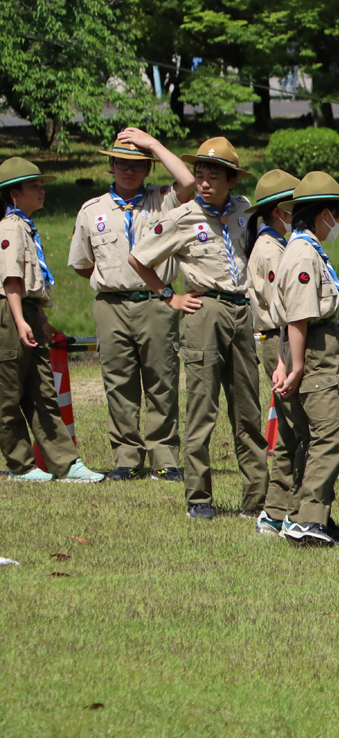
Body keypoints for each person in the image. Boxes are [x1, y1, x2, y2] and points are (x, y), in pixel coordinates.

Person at [129, 137, 268, 520]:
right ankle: (199, 498)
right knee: (202, 406)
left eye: (213, 176)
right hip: (204, 310)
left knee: (247, 407)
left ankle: (256, 498)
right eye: (200, 175)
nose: (204, 183)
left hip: (241, 312)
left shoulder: (244, 210)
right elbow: (138, 258)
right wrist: (168, 296)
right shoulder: (182, 217)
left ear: (231, 180)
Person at [68, 129, 194, 481]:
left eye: (138, 165)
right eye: (121, 163)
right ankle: (127, 458)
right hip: (112, 305)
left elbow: (188, 181)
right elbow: (82, 264)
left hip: (156, 302)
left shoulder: (163, 202)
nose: (129, 171)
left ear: (149, 168)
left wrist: (153, 144)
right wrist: (113, 279)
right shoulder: (92, 210)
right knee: (118, 382)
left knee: (161, 380)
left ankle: (164, 458)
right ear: (110, 165)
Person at [261, 171, 339, 546]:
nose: (338, 224)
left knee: (308, 435)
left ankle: (301, 515)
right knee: (326, 435)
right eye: (337, 215)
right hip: (314, 351)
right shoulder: (303, 254)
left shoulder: (303, 249)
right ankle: (308, 519)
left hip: (308, 346)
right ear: (323, 214)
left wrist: (285, 361)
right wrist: (296, 365)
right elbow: (298, 315)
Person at [0, 158, 105, 482]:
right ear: (14, 193)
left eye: (41, 185)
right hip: (11, 311)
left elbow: (31, 282)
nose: (41, 191)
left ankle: (65, 463)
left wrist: (41, 319)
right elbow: (11, 280)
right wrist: (20, 321)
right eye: (34, 186)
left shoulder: (26, 225)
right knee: (9, 391)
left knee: (43, 389)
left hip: (28, 310)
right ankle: (20, 465)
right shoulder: (9, 227)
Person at [244, 169, 298, 395]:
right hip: (280, 341)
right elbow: (280, 305)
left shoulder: (276, 244)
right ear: (278, 212)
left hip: (283, 337)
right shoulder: (270, 252)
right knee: (291, 411)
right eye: (295, 207)